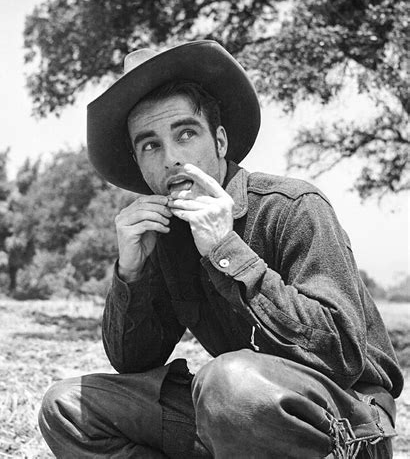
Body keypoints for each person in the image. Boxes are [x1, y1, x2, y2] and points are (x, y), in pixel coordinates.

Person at [38, 40, 403, 458]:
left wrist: (225, 249)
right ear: (139, 163)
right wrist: (131, 273)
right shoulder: (166, 232)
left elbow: (342, 356)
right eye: (150, 145)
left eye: (186, 133)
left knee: (229, 382)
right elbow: (133, 362)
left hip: (343, 426)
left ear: (221, 142)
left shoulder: (294, 207)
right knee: (67, 406)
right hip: (230, 419)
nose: (172, 159)